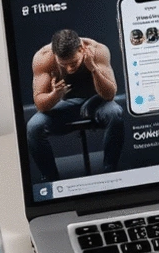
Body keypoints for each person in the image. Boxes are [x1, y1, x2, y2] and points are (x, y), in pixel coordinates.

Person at [26, 27, 124, 181]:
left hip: (98, 100)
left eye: (73, 62)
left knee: (115, 113)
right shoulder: (44, 58)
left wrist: (93, 69)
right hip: (66, 104)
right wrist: (55, 95)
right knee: (33, 126)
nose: (69, 68)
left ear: (81, 49)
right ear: (55, 55)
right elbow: (40, 104)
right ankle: (51, 180)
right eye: (63, 64)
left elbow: (110, 94)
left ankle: (110, 171)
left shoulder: (97, 50)